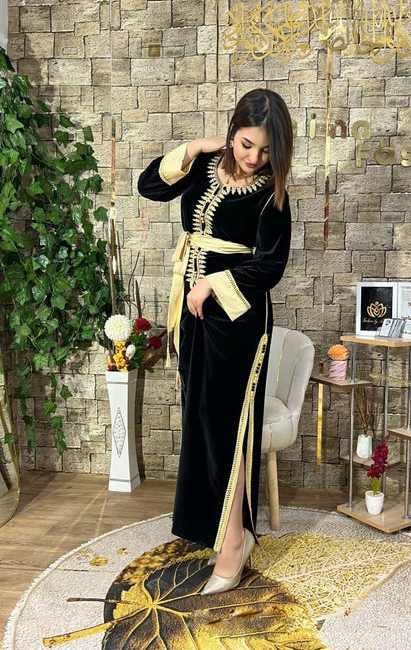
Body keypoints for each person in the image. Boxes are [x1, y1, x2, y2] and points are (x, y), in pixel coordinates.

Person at [137, 88, 293, 595]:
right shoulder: (205, 165)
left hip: (238, 322)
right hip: (193, 318)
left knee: (226, 426)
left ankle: (232, 546)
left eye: (266, 151)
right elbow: (148, 186)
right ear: (231, 132)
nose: (254, 158)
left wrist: (212, 283)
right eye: (246, 145)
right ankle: (232, 534)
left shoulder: (273, 194)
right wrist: (193, 147)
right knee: (201, 422)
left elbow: (271, 265)